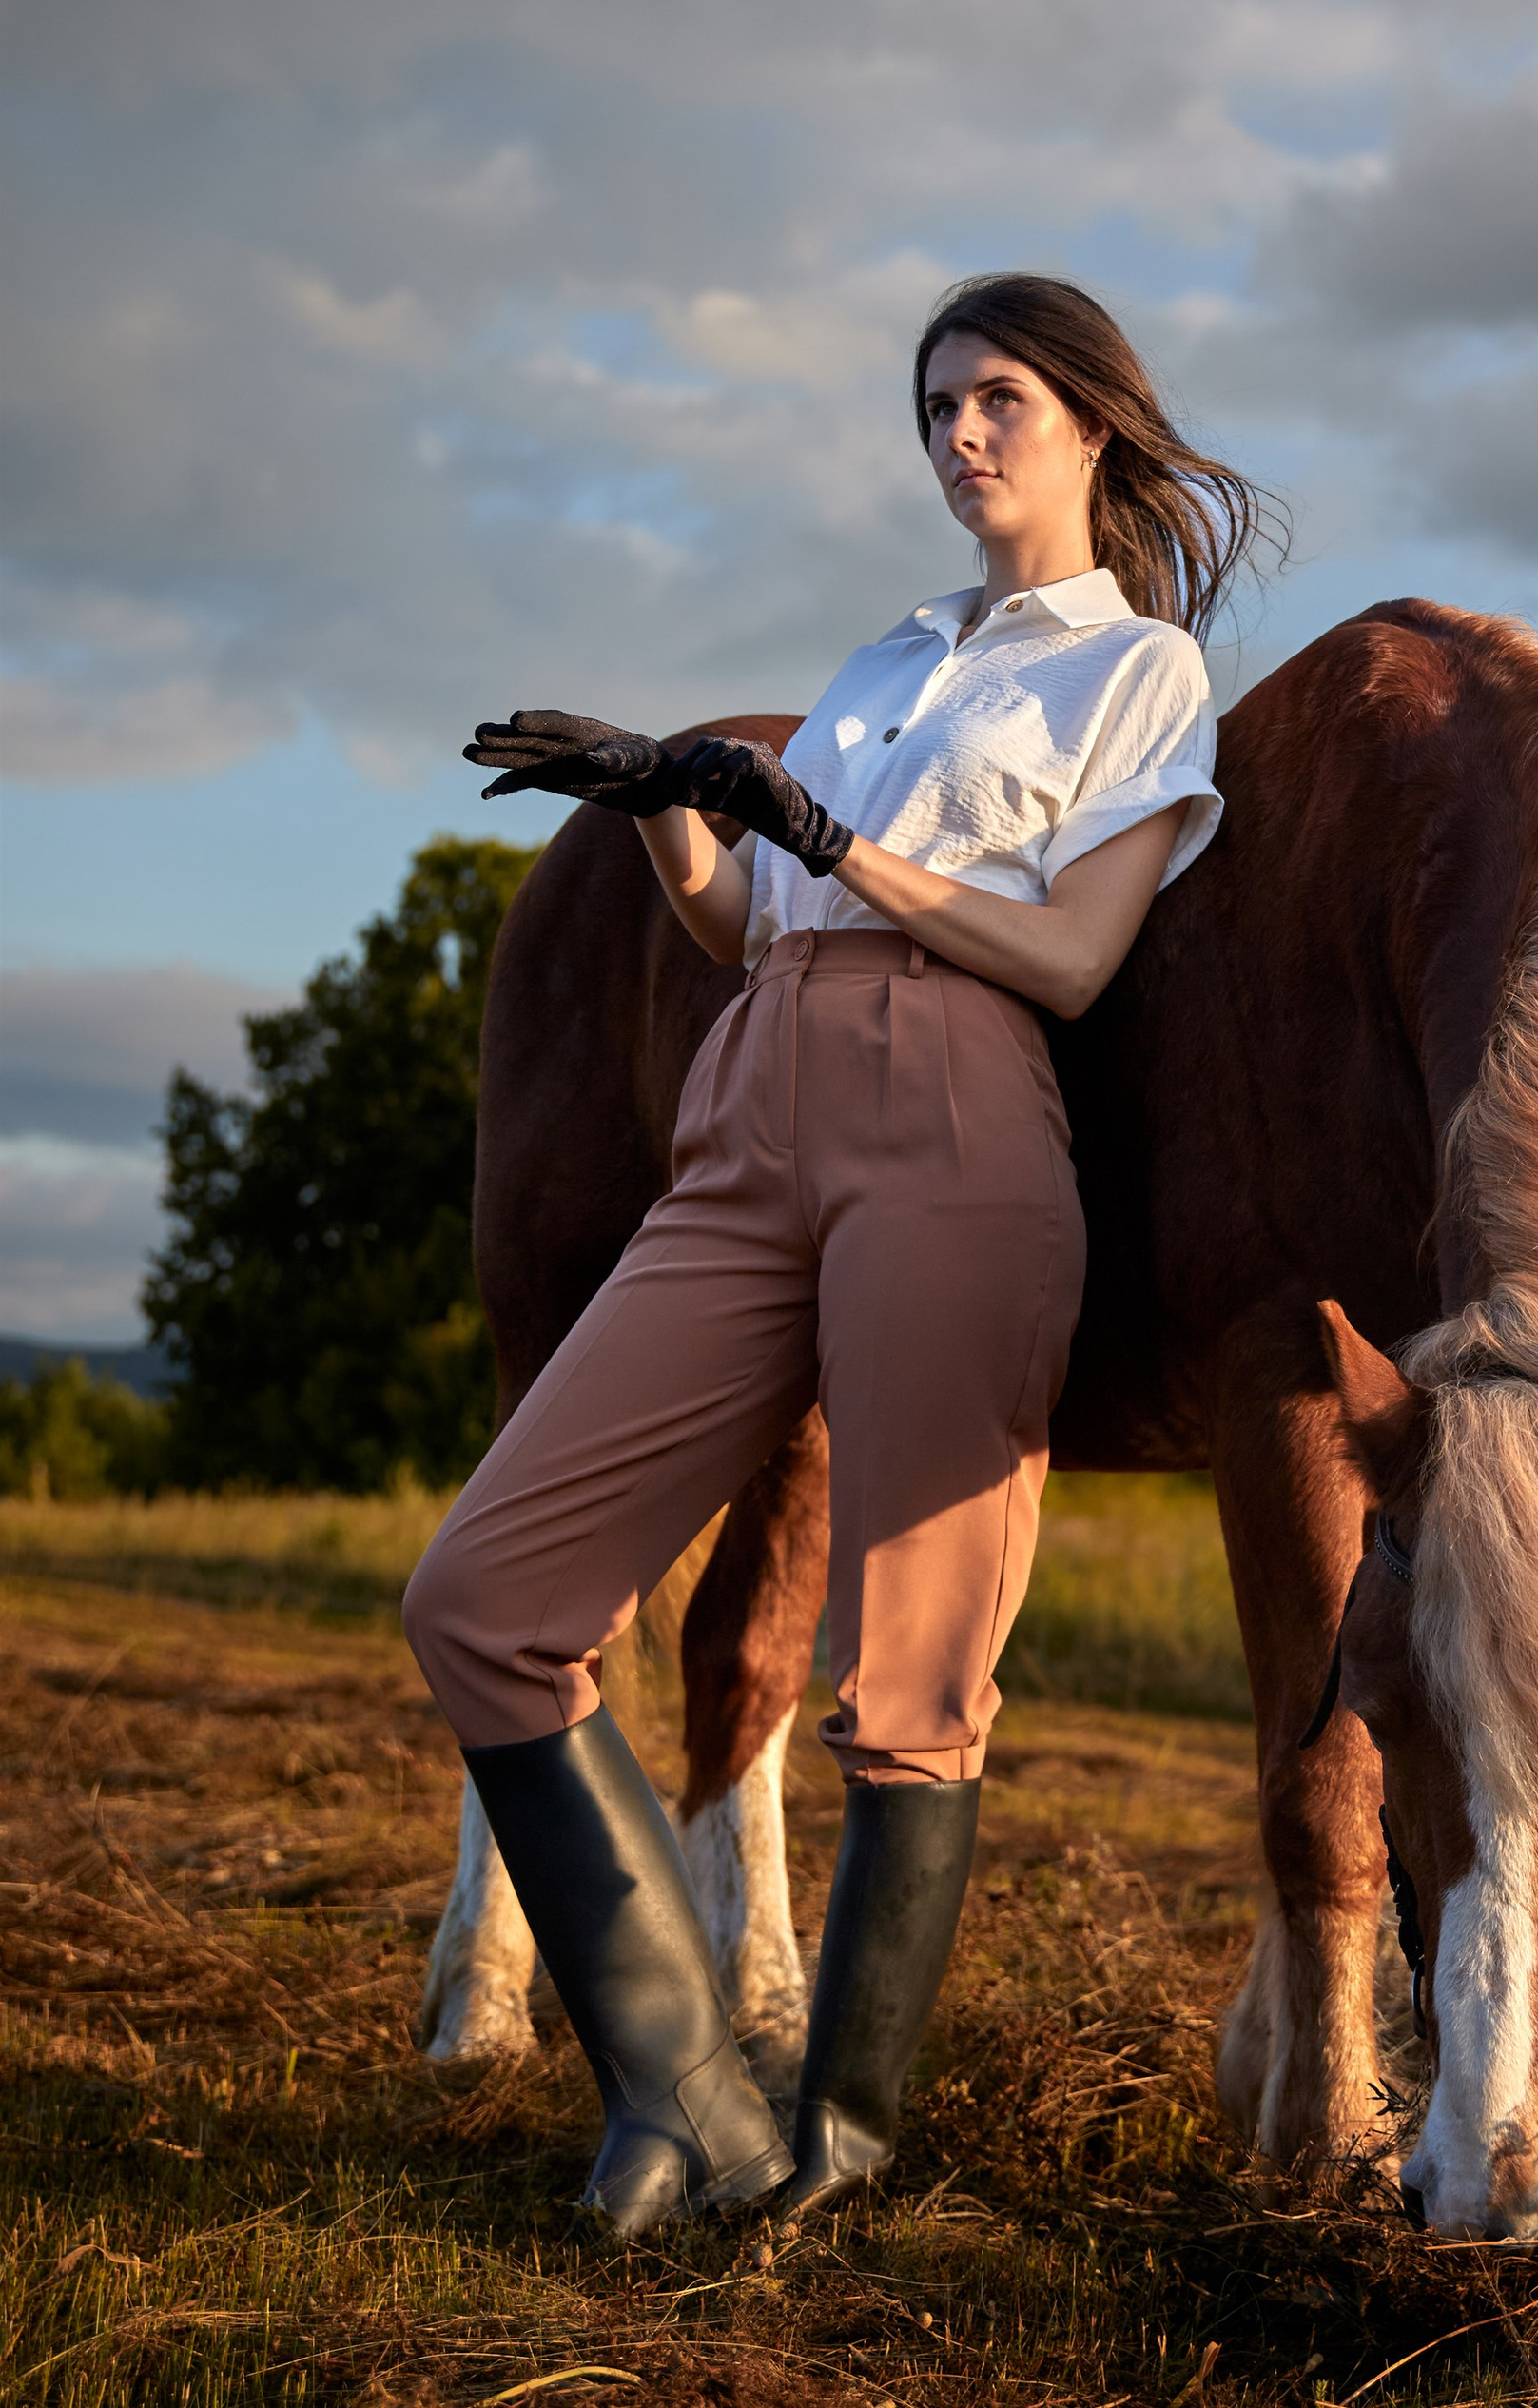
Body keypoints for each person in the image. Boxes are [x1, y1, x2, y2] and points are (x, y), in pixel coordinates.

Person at [400, 276, 1267, 2237]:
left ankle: (838, 2145)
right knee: (483, 1599)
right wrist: (667, 819)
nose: (959, 435)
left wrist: (833, 834)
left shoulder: (1132, 678)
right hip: (750, 1091)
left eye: (998, 402)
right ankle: (679, 2089)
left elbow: (1066, 956)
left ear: (1096, 429)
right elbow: (735, 932)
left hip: (952, 1123)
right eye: (938, 406)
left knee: (909, 1685)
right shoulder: (887, 659)